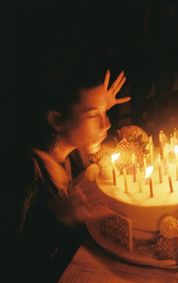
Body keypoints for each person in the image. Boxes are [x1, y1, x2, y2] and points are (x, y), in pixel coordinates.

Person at [2, 55, 130, 282]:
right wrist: (57, 216)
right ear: (57, 121)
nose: (107, 123)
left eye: (106, 111)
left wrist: (98, 106)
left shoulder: (73, 154)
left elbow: (88, 133)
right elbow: (11, 261)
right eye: (93, 115)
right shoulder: (24, 171)